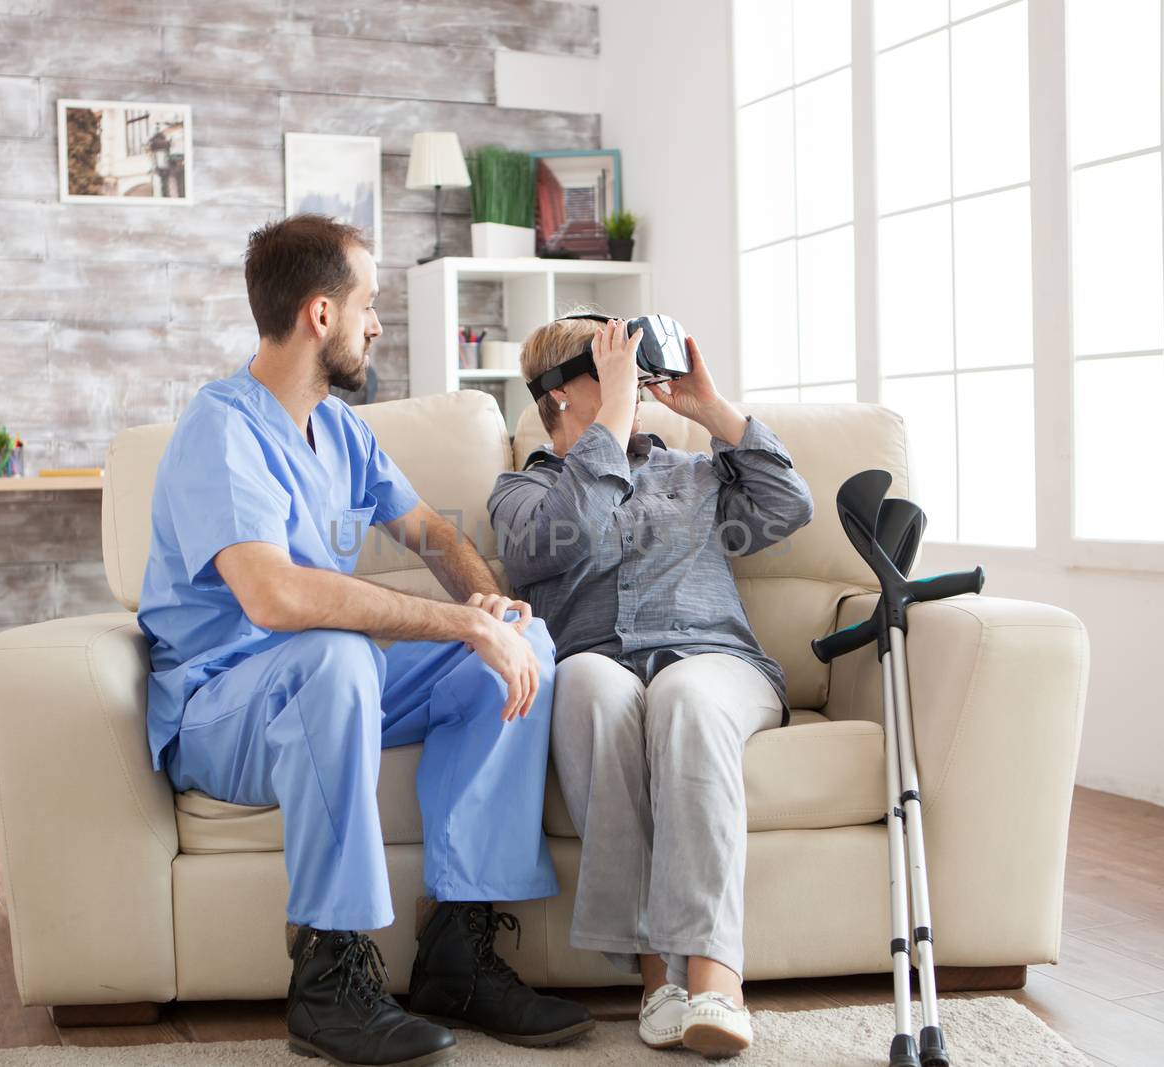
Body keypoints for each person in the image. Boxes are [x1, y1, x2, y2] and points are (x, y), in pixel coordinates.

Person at [138, 215, 592, 1067]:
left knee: (521, 652)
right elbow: (274, 598)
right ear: (319, 314)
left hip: (327, 687)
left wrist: (488, 608)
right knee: (337, 651)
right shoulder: (221, 430)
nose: (377, 323)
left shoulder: (340, 430)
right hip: (221, 709)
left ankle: (459, 954)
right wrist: (458, 621)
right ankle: (327, 977)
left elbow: (429, 532)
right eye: (370, 304)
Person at [488, 316, 814, 1059]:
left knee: (685, 696)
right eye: (610, 368)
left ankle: (715, 978)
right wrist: (610, 420)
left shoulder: (694, 472)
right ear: (562, 394)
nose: (630, 382)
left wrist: (709, 410)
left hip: (714, 662)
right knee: (587, 685)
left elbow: (789, 507)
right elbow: (549, 541)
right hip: (596, 660)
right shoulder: (524, 489)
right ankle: (655, 979)